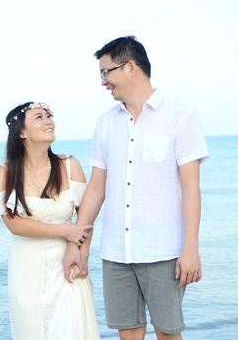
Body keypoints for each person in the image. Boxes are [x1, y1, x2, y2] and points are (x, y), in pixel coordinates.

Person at [63, 36, 209, 340]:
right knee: (128, 332)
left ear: (131, 67)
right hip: (116, 252)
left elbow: (191, 188)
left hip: (165, 250)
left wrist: (191, 248)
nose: (103, 82)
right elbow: (95, 190)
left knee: (168, 333)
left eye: (107, 72)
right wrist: (77, 244)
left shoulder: (180, 116)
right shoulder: (106, 123)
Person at [0, 101, 100, 340]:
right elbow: (14, 224)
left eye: (49, 115)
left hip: (68, 262)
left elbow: (85, 217)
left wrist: (81, 254)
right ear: (22, 132)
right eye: (39, 117)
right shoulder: (4, 173)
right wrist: (63, 230)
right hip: (27, 268)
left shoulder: (69, 165)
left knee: (74, 330)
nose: (49, 120)